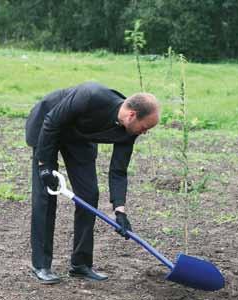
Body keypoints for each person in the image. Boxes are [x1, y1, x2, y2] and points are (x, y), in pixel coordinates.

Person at [25, 82, 160, 284]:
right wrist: (44, 166)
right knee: (46, 195)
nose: (145, 132)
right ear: (132, 115)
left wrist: (120, 210)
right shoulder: (91, 95)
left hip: (79, 137)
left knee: (89, 194)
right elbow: (52, 121)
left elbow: (118, 171)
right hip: (47, 127)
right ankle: (41, 265)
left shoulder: (129, 131)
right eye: (145, 127)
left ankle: (80, 264)